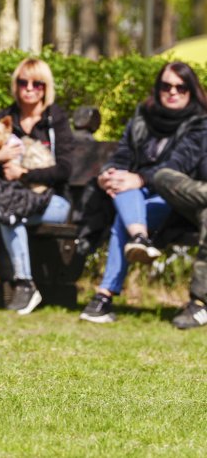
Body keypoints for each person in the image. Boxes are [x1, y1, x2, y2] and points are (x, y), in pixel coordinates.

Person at [79, 61, 207, 324]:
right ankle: (139, 237)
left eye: (181, 87)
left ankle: (104, 296)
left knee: (125, 211)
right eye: (166, 86)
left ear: (191, 90)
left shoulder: (199, 124)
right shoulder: (142, 118)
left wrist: (139, 179)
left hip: (173, 200)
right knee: (123, 190)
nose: (173, 92)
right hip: (133, 195)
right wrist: (108, 174)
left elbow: (178, 167)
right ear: (158, 88)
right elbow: (122, 155)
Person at [0, 58, 74, 315]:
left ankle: (24, 283)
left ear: (45, 87)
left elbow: (64, 169)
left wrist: (25, 173)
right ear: (16, 85)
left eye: (37, 84)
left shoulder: (55, 120)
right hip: (13, 197)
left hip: (52, 200)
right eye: (23, 83)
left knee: (7, 211)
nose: (29, 88)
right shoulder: (4, 119)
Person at [152, 138, 207, 329]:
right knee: (163, 176)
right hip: (197, 202)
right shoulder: (201, 136)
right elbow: (173, 167)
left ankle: (200, 304)